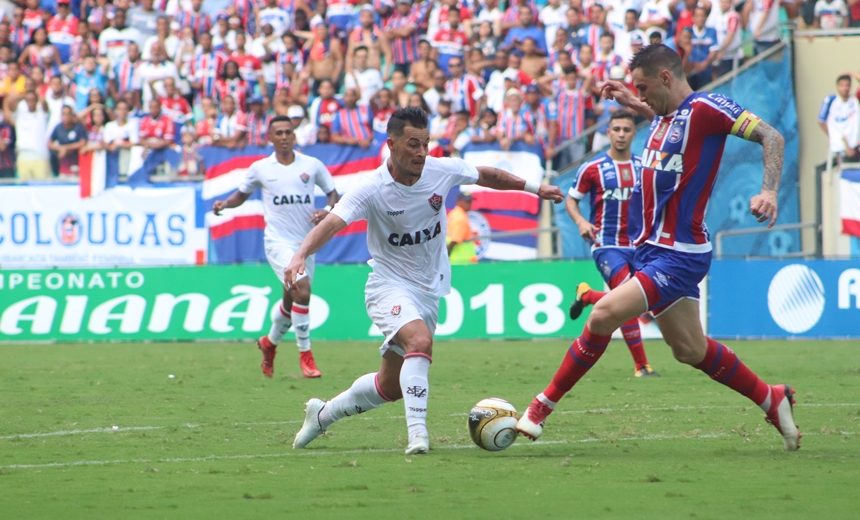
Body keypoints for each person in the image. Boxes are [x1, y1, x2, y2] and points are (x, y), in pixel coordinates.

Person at [515, 44, 801, 452]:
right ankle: (770, 397)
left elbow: (770, 135)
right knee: (689, 349)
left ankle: (540, 409)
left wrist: (769, 190)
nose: (641, 96)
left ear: (666, 77)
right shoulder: (666, 117)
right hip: (651, 249)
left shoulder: (707, 108)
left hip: (679, 252)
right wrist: (635, 102)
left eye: (644, 87)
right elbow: (671, 125)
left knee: (603, 314)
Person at [288, 107, 564, 455]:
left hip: (428, 289)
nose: (421, 152)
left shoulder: (440, 170)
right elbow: (332, 223)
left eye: (426, 144)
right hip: (387, 284)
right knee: (420, 340)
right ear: (391, 144)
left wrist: (535, 188)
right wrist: (300, 256)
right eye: (413, 144)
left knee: (390, 386)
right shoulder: (371, 187)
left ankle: (323, 414)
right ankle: (418, 436)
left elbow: (487, 175)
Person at [212, 115, 339, 379]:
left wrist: (326, 211)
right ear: (270, 137)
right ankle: (306, 356)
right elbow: (241, 194)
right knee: (302, 293)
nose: (283, 137)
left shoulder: (312, 165)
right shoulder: (260, 168)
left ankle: (269, 344)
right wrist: (225, 203)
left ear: (294, 136)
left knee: (291, 300)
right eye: (278, 133)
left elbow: (333, 194)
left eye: (288, 132)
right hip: (277, 242)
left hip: (306, 243)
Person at [565, 110, 660, 378]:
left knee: (638, 300)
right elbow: (571, 200)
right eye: (615, 129)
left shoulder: (644, 167)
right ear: (607, 132)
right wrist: (582, 223)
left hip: (641, 246)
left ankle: (588, 296)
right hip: (606, 245)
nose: (620, 134)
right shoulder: (592, 168)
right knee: (628, 295)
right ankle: (642, 365)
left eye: (626, 130)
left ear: (634, 133)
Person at [818, 74, 859, 162]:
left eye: (847, 85)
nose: (844, 88)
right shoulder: (831, 100)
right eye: (842, 85)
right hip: (838, 148)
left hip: (855, 147)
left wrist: (851, 73)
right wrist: (832, 136)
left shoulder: (855, 101)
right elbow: (821, 121)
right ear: (837, 86)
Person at [48, 104, 87, 176]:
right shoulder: (58, 127)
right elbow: (49, 143)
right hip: (63, 165)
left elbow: (83, 143)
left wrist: (66, 148)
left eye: (68, 114)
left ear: (72, 115)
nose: (66, 116)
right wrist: (60, 149)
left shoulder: (78, 127)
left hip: (77, 164)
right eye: (64, 114)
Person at [447, 190, 477, 264]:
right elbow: (454, 241)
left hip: (455, 260)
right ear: (459, 202)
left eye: (470, 201)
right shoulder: (460, 218)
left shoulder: (454, 214)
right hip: (462, 261)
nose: (469, 204)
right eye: (467, 201)